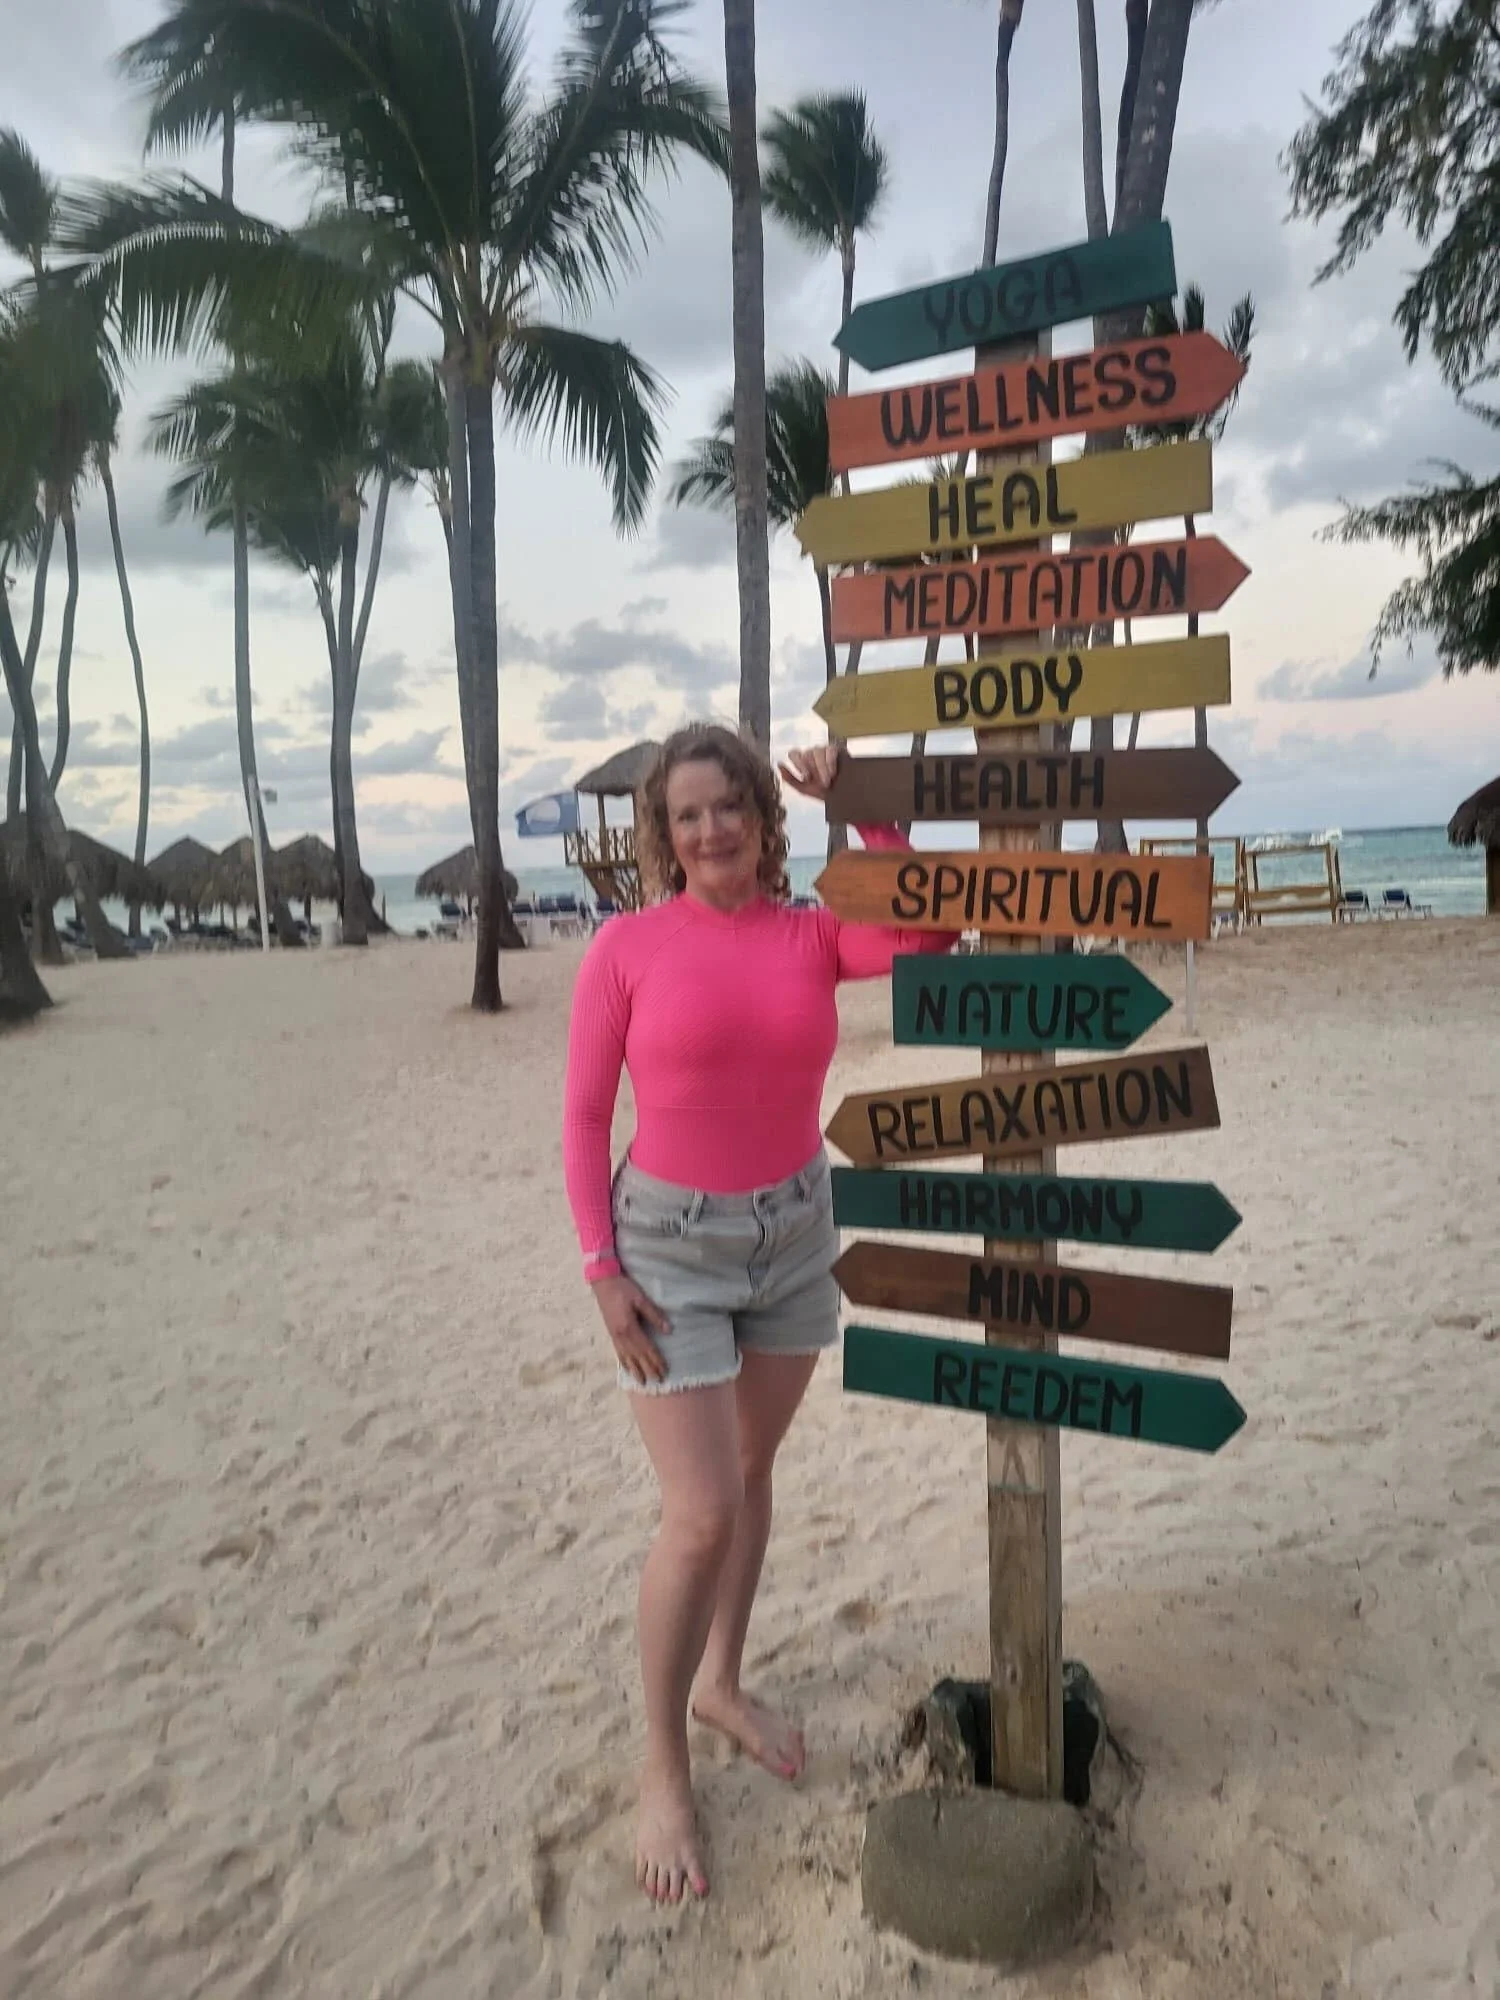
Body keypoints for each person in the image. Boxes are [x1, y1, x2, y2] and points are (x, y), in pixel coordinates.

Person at [561, 724, 954, 1906]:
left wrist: (867, 808)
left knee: (752, 1464)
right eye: (688, 814)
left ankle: (722, 1681)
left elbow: (926, 930)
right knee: (700, 1512)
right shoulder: (625, 947)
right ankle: (664, 1762)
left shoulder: (811, 931)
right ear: (663, 833)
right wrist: (600, 1267)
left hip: (792, 1233)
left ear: (761, 815)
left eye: (730, 805)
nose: (712, 828)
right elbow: (585, 1117)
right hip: (666, 1248)